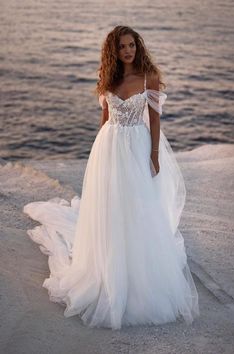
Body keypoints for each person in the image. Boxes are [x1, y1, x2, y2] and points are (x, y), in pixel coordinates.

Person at [23, 25, 199, 330]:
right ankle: (107, 271)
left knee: (137, 208)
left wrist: (154, 154)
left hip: (137, 146)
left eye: (131, 45)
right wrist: (99, 152)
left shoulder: (149, 77)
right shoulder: (108, 78)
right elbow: (105, 120)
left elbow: (154, 120)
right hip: (109, 147)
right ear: (113, 51)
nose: (128, 50)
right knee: (110, 209)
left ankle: (137, 274)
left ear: (137, 46)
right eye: (122, 47)